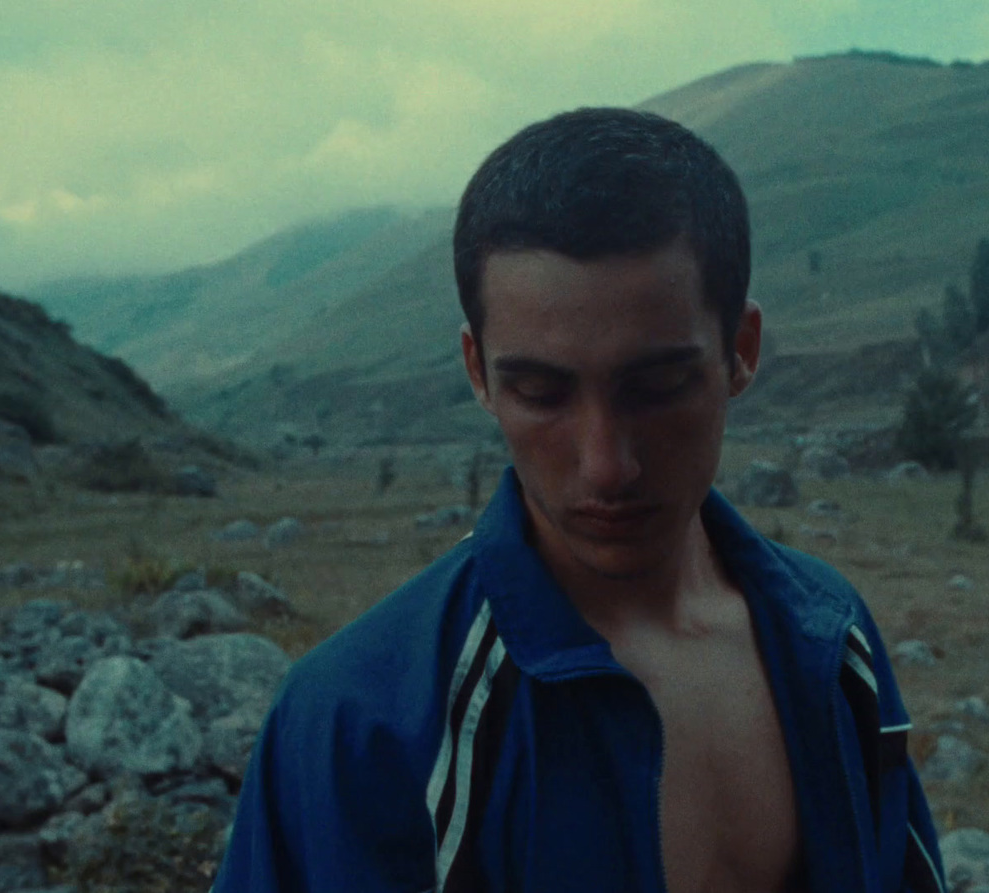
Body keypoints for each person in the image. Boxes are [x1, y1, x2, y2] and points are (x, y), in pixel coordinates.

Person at [213, 107, 946, 893]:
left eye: (658, 388)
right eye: (540, 391)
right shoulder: (361, 721)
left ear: (742, 351)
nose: (606, 465)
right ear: (477, 371)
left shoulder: (831, 640)